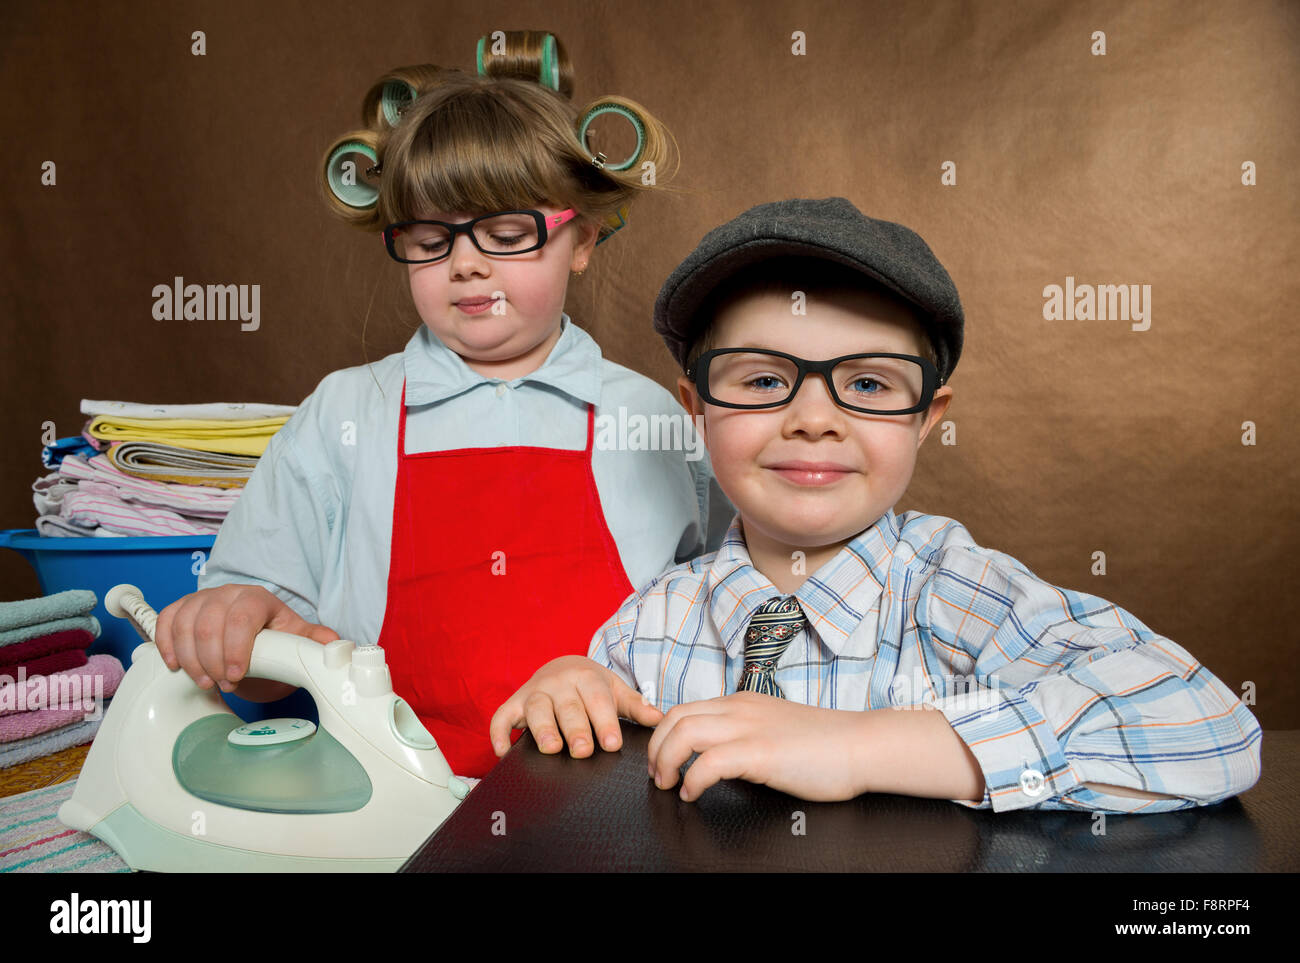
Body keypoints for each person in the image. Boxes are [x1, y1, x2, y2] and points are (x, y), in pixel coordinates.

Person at [490, 196, 1262, 812]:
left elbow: (1209, 727)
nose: (814, 417)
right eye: (762, 380)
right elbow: (593, 767)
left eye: (866, 384)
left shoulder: (953, 591)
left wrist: (859, 747)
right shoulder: (651, 620)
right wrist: (573, 686)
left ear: (928, 417)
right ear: (697, 409)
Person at [153, 32, 729, 778]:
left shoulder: (650, 418)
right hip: (388, 809)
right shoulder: (342, 414)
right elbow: (261, 663)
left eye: (507, 231)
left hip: (612, 808)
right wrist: (240, 626)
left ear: (581, 239)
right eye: (430, 238)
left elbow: (735, 617)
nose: (466, 262)